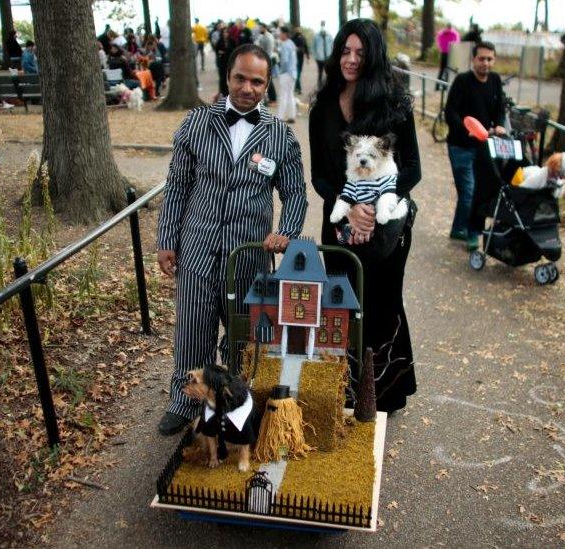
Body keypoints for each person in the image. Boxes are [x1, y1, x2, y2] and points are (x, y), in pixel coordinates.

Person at [155, 44, 307, 436]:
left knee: (242, 338)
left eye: (257, 81)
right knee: (192, 330)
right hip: (197, 249)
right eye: (241, 78)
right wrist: (167, 239)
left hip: (247, 258)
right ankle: (184, 400)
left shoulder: (280, 137)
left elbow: (295, 194)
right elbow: (177, 187)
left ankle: (236, 404)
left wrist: (286, 231)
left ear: (267, 84)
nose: (247, 88)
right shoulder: (196, 124)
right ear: (228, 77)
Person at [308, 18, 421, 413]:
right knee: (343, 302)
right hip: (339, 219)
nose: (350, 59)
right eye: (345, 51)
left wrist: (373, 206)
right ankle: (348, 387)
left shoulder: (393, 104)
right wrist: (350, 205)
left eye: (360, 53)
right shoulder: (322, 105)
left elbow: (413, 171)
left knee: (383, 301)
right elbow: (319, 176)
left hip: (387, 225)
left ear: (373, 58)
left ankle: (387, 391)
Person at [443, 41, 506, 251]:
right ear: (473, 60)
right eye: (481, 58)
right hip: (461, 146)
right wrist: (465, 130)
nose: (485, 63)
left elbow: (500, 109)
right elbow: (450, 112)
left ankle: (458, 228)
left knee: (478, 191)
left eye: (489, 59)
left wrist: (498, 126)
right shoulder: (462, 81)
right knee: (469, 191)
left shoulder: (495, 81)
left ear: (494, 60)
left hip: (484, 146)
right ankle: (472, 233)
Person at [275, 26, 297, 123]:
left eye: (280, 33)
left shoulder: (284, 45)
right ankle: (292, 116)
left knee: (283, 95)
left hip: (286, 72)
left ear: (285, 34)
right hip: (293, 72)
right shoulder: (292, 44)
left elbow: (284, 61)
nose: (279, 35)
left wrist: (281, 71)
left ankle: (280, 117)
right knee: (290, 94)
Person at [254, 23, 276, 102]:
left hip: (267, 60)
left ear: (264, 28)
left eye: (260, 28)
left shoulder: (268, 37)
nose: (259, 29)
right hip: (264, 60)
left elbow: (269, 52)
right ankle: (269, 98)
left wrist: (264, 61)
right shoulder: (263, 36)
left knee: (268, 80)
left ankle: (273, 99)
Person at [311, 21, 332, 89]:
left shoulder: (329, 35)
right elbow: (313, 47)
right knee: (320, 72)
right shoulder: (316, 36)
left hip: (327, 57)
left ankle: (328, 85)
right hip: (319, 58)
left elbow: (332, 45)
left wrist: (331, 55)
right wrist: (315, 56)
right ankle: (319, 86)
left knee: (328, 72)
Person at [291, 26, 308, 93]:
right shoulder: (293, 38)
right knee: (297, 73)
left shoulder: (303, 38)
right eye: (296, 29)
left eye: (299, 29)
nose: (298, 30)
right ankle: (299, 88)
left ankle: (296, 87)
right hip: (294, 58)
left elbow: (306, 47)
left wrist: (308, 57)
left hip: (300, 58)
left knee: (298, 73)